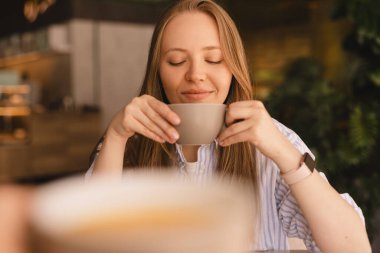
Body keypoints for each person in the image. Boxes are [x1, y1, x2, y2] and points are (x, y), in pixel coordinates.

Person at [87, 0, 371, 252]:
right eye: (176, 61)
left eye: (214, 59)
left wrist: (285, 154)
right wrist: (115, 136)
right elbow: (89, 242)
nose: (196, 75)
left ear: (234, 66)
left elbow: (354, 247)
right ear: (158, 71)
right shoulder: (127, 141)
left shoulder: (273, 143)